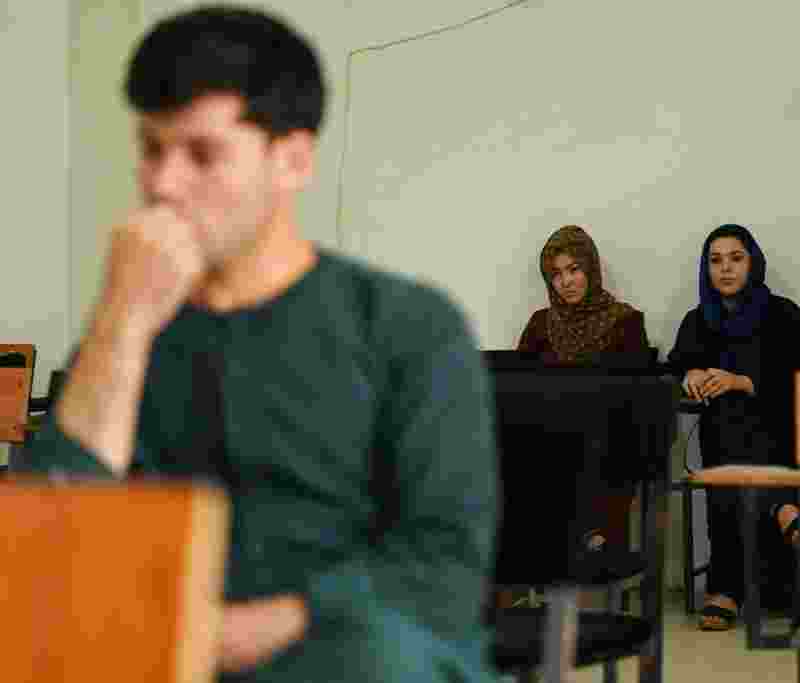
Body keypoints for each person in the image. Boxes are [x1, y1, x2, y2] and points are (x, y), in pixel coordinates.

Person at [19, 6, 499, 682]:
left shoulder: (407, 325)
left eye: (202, 154)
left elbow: (445, 567)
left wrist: (249, 628)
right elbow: (45, 548)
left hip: (353, 647)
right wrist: (121, 321)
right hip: (159, 650)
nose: (161, 183)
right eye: (152, 149)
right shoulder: (124, 335)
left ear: (293, 160)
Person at [667, 224, 800, 630]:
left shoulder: (783, 313)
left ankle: (725, 589)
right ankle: (781, 507)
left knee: (735, 421)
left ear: (754, 262)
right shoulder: (699, 320)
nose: (725, 269)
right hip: (728, 441)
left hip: (783, 432)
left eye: (736, 258)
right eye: (715, 261)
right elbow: (676, 362)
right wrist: (691, 374)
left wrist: (741, 381)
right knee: (729, 424)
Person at [517, 225, 649, 555]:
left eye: (574, 269)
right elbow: (517, 385)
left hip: (606, 435)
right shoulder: (539, 324)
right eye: (557, 274)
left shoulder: (625, 321)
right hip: (548, 433)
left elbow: (635, 393)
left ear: (590, 268)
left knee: (610, 440)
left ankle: (590, 536)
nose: (566, 281)